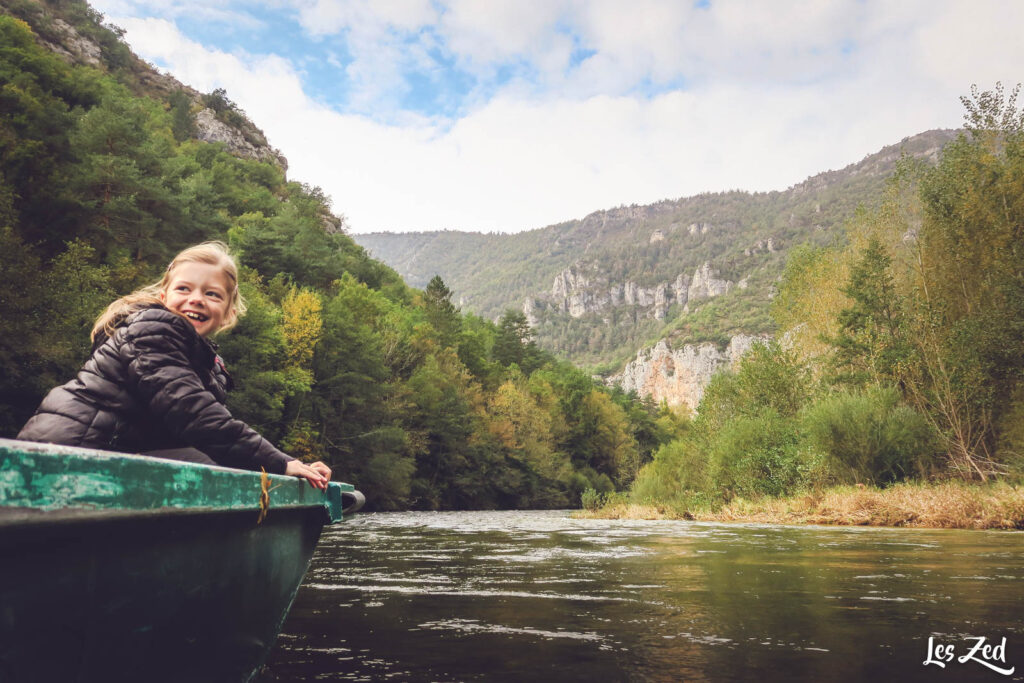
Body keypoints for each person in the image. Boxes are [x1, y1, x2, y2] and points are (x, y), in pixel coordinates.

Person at [18, 241, 331, 490]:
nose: (196, 299)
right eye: (184, 289)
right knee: (212, 466)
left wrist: (285, 463)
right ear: (164, 295)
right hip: (60, 455)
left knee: (217, 462)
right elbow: (193, 413)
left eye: (212, 294)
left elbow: (200, 426)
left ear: (229, 312)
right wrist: (281, 463)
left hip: (104, 456)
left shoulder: (205, 361)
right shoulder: (153, 328)